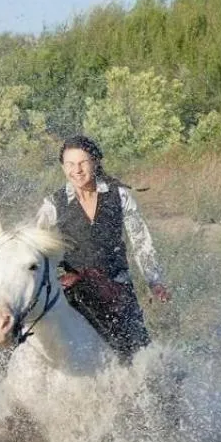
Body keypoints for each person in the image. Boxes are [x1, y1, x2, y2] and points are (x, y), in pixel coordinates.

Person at [50, 134, 171, 361]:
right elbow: (36, 245)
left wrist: (154, 281)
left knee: (139, 354)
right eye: (70, 164)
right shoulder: (53, 204)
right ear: (63, 167)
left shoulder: (119, 195)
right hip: (75, 292)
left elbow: (141, 241)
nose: (77, 170)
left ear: (95, 162)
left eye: (83, 163)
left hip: (117, 289)